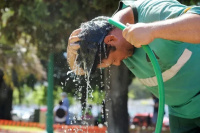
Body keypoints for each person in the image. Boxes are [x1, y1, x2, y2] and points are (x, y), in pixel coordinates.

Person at [67, 0, 200, 132]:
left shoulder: (152, 11)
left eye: (113, 61)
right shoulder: (114, 39)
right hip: (181, 114)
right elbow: (79, 71)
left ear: (111, 40)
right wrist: (71, 53)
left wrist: (152, 30)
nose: (119, 63)